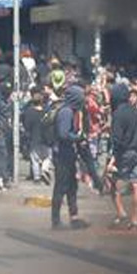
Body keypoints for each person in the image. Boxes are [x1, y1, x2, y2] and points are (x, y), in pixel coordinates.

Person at [107, 83, 137, 230]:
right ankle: (135, 219)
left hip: (124, 153)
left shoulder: (118, 114)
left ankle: (121, 212)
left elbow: (117, 140)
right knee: (136, 184)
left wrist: (113, 160)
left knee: (110, 178)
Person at [51, 85, 88, 230]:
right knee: (61, 187)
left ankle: (74, 217)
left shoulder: (70, 110)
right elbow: (63, 134)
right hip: (62, 155)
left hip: (68, 154)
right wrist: (78, 137)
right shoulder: (66, 112)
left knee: (72, 186)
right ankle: (56, 220)